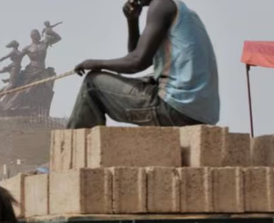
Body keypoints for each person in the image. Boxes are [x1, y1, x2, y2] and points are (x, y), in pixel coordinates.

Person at [68, 0, 220, 129]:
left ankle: (69, 156)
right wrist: (132, 21)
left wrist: (95, 63)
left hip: (175, 111)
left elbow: (136, 62)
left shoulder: (161, 5)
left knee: (92, 84)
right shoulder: (184, 12)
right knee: (149, 78)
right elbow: (139, 55)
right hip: (200, 116)